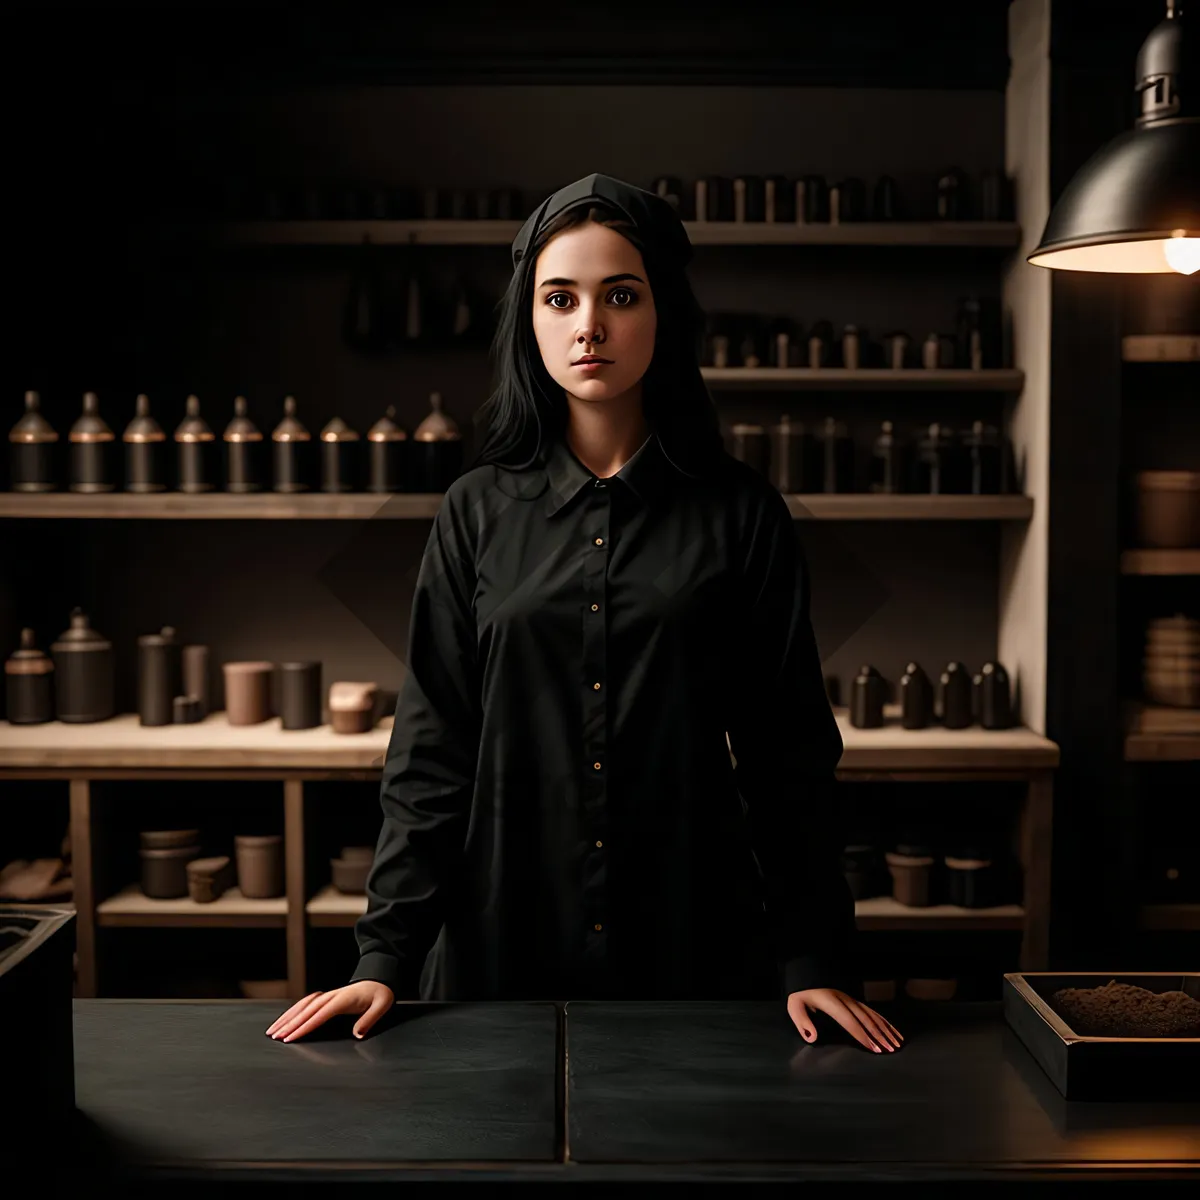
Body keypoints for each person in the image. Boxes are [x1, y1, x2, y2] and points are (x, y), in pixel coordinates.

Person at [268, 173, 902, 1054]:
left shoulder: (742, 512)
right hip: (499, 949)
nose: (588, 326)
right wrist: (384, 956)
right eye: (560, 298)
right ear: (529, 321)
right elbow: (432, 750)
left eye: (621, 296)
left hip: (693, 950)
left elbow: (786, 755)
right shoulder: (474, 511)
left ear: (664, 314)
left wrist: (813, 957)